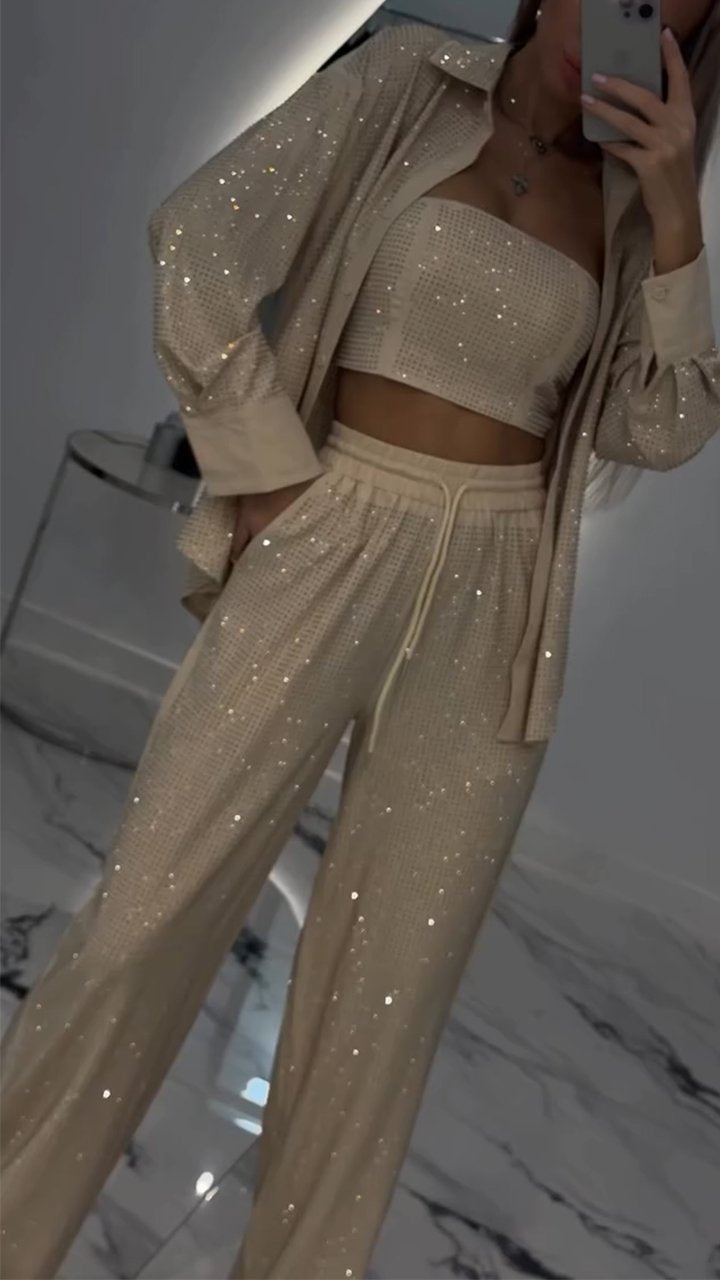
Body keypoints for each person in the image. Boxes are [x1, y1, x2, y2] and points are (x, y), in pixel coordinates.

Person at [2, 3, 718, 1277]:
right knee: (137, 928)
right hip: (332, 525)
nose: (629, 9)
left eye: (670, 6)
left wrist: (675, 216)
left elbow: (656, 428)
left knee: (379, 1011)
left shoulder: (628, 209)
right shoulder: (407, 83)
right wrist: (264, 466)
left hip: (497, 588)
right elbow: (199, 240)